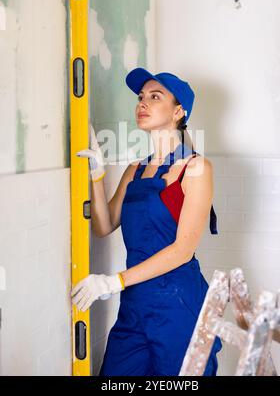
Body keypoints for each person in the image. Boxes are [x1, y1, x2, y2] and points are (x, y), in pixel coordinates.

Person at [71, 67, 222, 376]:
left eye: (155, 97)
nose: (143, 103)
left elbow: (182, 250)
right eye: (141, 97)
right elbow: (103, 226)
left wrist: (114, 281)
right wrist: (97, 176)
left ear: (178, 111)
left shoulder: (195, 169)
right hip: (135, 304)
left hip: (177, 303)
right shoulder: (135, 170)